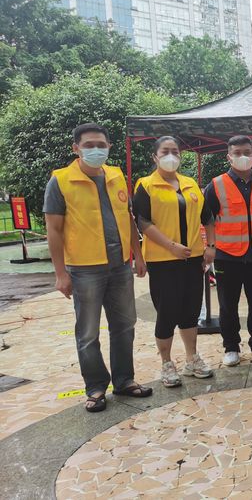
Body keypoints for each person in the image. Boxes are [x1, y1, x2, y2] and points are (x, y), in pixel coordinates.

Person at [44, 123, 152, 413]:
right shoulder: (61, 181)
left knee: (124, 326)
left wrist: (138, 255)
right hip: (84, 269)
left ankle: (124, 380)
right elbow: (53, 229)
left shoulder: (116, 176)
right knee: (88, 332)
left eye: (101, 145)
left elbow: (128, 218)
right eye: (89, 145)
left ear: (109, 147)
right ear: (76, 148)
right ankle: (95, 387)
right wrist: (60, 274)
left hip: (120, 266)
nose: (96, 150)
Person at [133, 136, 215, 387]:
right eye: (165, 151)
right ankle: (167, 363)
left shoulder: (190, 184)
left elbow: (207, 217)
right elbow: (143, 222)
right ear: (155, 156)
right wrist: (171, 246)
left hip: (193, 258)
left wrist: (210, 246)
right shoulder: (146, 185)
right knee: (167, 312)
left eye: (175, 151)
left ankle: (192, 358)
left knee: (191, 310)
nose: (171, 156)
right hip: (163, 260)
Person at [204, 136, 252, 367]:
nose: (243, 156)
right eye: (237, 153)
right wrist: (209, 248)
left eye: (247, 152)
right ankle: (231, 346)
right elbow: (207, 220)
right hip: (227, 256)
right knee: (228, 305)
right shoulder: (216, 185)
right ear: (229, 157)